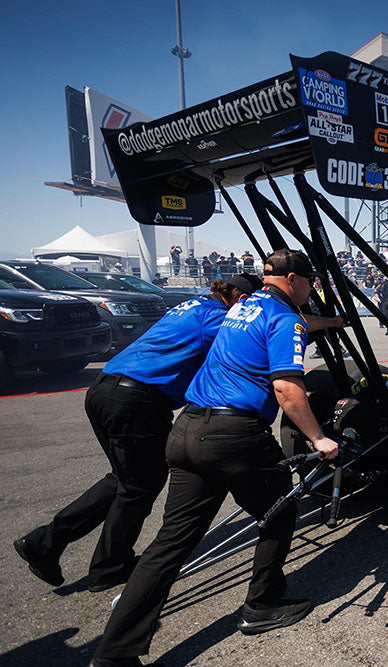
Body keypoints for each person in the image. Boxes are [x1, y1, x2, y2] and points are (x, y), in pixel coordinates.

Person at [90, 250, 346, 665]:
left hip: (187, 429)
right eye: (311, 282)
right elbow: (286, 388)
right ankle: (262, 606)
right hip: (235, 434)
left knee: (170, 543)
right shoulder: (286, 318)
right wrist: (318, 438)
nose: (312, 289)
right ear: (295, 280)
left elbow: (292, 326)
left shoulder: (243, 306)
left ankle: (114, 652)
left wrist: (331, 323)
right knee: (279, 512)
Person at [14, 274, 263, 595]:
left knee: (124, 479)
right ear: (240, 298)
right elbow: (256, 337)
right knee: (139, 485)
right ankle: (108, 566)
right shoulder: (216, 317)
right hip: (136, 400)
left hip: (107, 389)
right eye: (252, 303)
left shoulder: (192, 307)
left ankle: (45, 543)